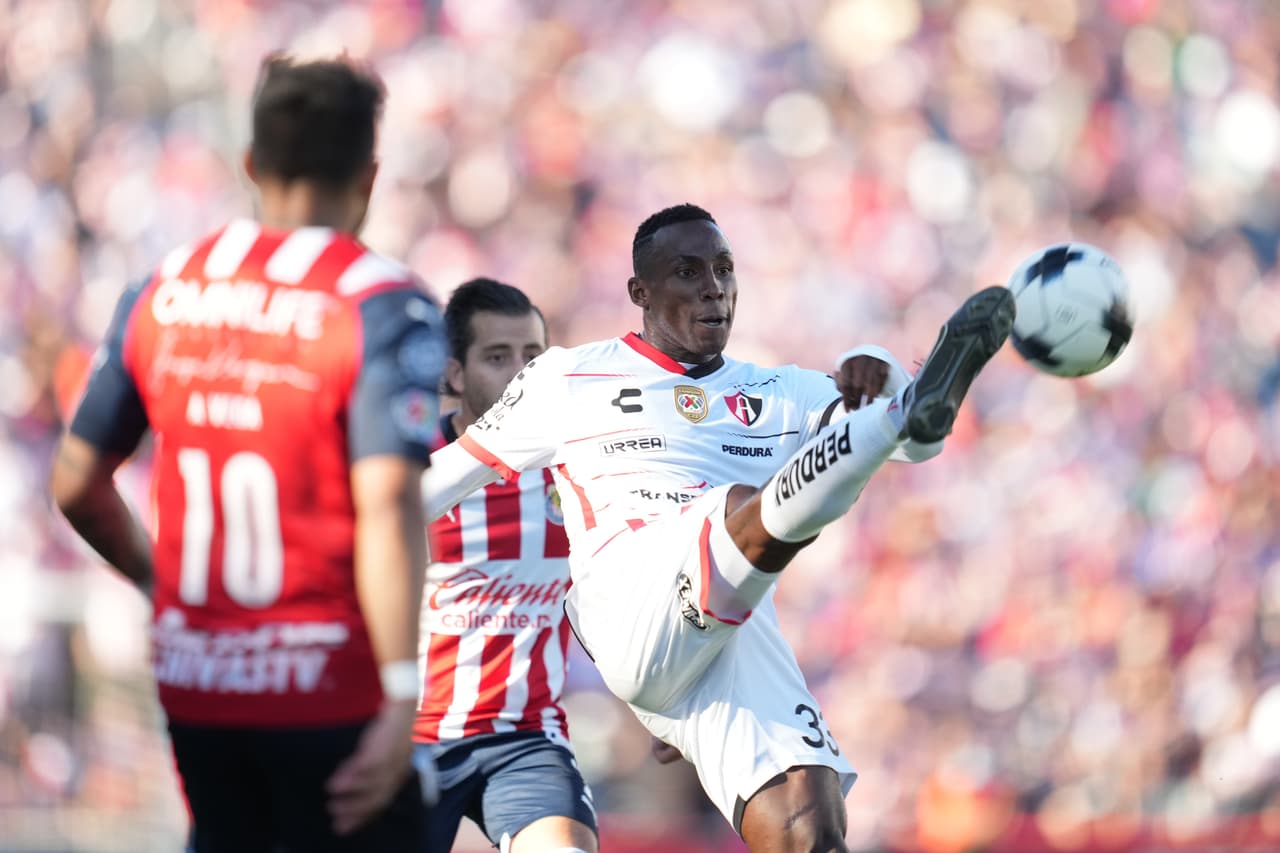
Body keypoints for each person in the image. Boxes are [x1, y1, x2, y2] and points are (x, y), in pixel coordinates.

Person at [421, 203, 1015, 851]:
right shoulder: (567, 377)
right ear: (639, 293)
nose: (713, 286)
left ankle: (872, 426)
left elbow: (920, 446)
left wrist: (881, 369)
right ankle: (866, 433)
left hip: (726, 627)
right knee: (737, 503)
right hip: (628, 595)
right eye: (688, 271)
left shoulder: (782, 391)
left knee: (809, 827)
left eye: (725, 269)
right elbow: (430, 487)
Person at [50, 55, 445, 852]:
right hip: (329, 691)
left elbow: (77, 483)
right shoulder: (380, 301)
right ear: (369, 177)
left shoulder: (161, 288)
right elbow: (388, 504)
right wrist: (404, 695)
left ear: (252, 164)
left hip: (199, 686)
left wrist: (160, 579)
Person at [415, 278, 598, 853]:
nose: (524, 376)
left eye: (534, 357)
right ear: (453, 374)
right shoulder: (405, 472)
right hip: (408, 740)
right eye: (498, 357)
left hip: (524, 739)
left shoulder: (580, 472)